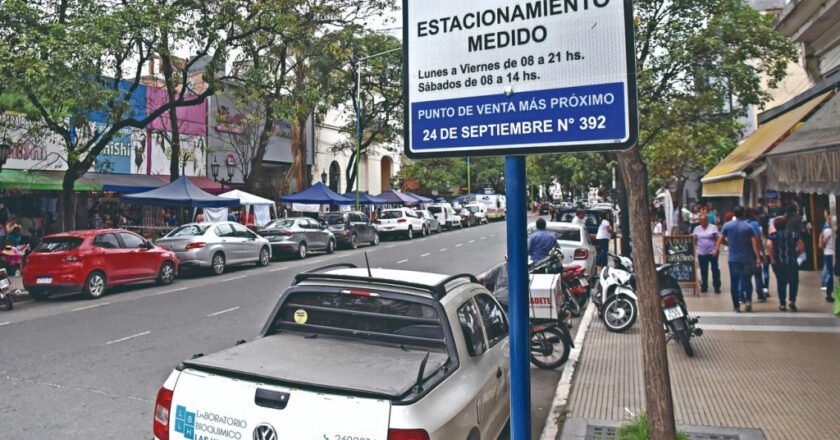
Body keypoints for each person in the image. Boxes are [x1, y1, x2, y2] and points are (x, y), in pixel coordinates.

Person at [715, 206, 761, 313]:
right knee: (747, 280)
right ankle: (748, 300)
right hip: (747, 258)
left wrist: (723, 246)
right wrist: (758, 257)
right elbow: (755, 244)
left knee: (734, 282)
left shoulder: (727, 226)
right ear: (744, 214)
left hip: (733, 259)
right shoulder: (748, 227)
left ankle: (736, 306)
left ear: (734, 214)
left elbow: (720, 239)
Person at [767, 217, 805, 311]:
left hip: (779, 262)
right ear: (785, 225)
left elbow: (769, 246)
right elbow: (802, 247)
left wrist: (772, 258)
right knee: (793, 282)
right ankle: (792, 301)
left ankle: (782, 303)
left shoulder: (773, 236)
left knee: (781, 282)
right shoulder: (793, 235)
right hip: (792, 262)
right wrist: (796, 254)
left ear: (775, 226)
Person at [693, 213, 721, 294]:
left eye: (704, 220)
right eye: (701, 220)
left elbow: (718, 238)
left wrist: (716, 248)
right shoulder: (697, 229)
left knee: (715, 269)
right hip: (702, 253)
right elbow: (694, 239)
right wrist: (696, 248)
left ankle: (717, 286)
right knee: (703, 270)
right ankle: (704, 286)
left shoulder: (713, 227)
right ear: (699, 221)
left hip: (712, 252)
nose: (703, 221)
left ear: (707, 220)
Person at [747, 208, 768, 302]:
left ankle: (743, 296)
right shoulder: (754, 224)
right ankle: (760, 293)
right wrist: (761, 254)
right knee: (758, 273)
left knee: (743, 276)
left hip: (742, 254)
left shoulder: (740, 224)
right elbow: (757, 240)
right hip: (753, 254)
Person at [819, 209, 835, 303]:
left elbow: (821, 245)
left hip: (828, 254)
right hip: (835, 254)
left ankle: (829, 293)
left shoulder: (825, 231)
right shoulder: (835, 231)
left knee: (830, 273)